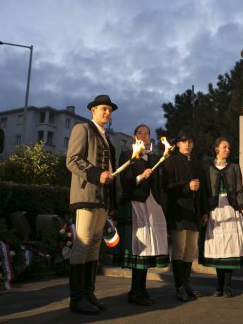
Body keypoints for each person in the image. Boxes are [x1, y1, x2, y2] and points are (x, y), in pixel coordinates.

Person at [66, 94, 118, 314]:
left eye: (109, 109)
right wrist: (97, 175)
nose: (107, 112)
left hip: (102, 198)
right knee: (84, 242)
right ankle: (77, 298)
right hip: (86, 194)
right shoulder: (83, 129)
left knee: (95, 243)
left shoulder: (107, 137)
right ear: (93, 111)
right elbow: (72, 160)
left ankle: (89, 293)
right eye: (103, 108)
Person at [112, 124, 169, 306]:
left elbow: (158, 184)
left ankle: (142, 289)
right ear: (134, 136)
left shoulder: (153, 158)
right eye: (140, 133)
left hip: (152, 204)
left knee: (149, 249)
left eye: (147, 133)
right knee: (139, 249)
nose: (144, 136)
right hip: (136, 203)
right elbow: (126, 182)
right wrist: (141, 177)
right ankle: (134, 291)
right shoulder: (127, 156)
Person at [199, 137, 243, 298]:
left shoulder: (235, 167)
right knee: (218, 248)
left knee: (230, 247)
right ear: (216, 149)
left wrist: (242, 207)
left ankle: (227, 286)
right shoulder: (207, 168)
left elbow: (239, 190)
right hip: (215, 210)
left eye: (228, 147)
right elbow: (206, 192)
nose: (227, 150)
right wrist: (205, 211)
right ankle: (219, 286)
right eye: (224, 147)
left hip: (231, 208)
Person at [163, 130, 209, 302]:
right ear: (177, 144)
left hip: (195, 213)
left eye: (190, 141)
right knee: (180, 249)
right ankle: (179, 286)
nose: (187, 144)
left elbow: (204, 190)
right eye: (183, 142)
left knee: (191, 250)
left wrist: (204, 211)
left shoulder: (198, 165)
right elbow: (167, 186)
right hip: (179, 211)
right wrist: (186, 187)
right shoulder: (171, 161)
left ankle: (187, 283)